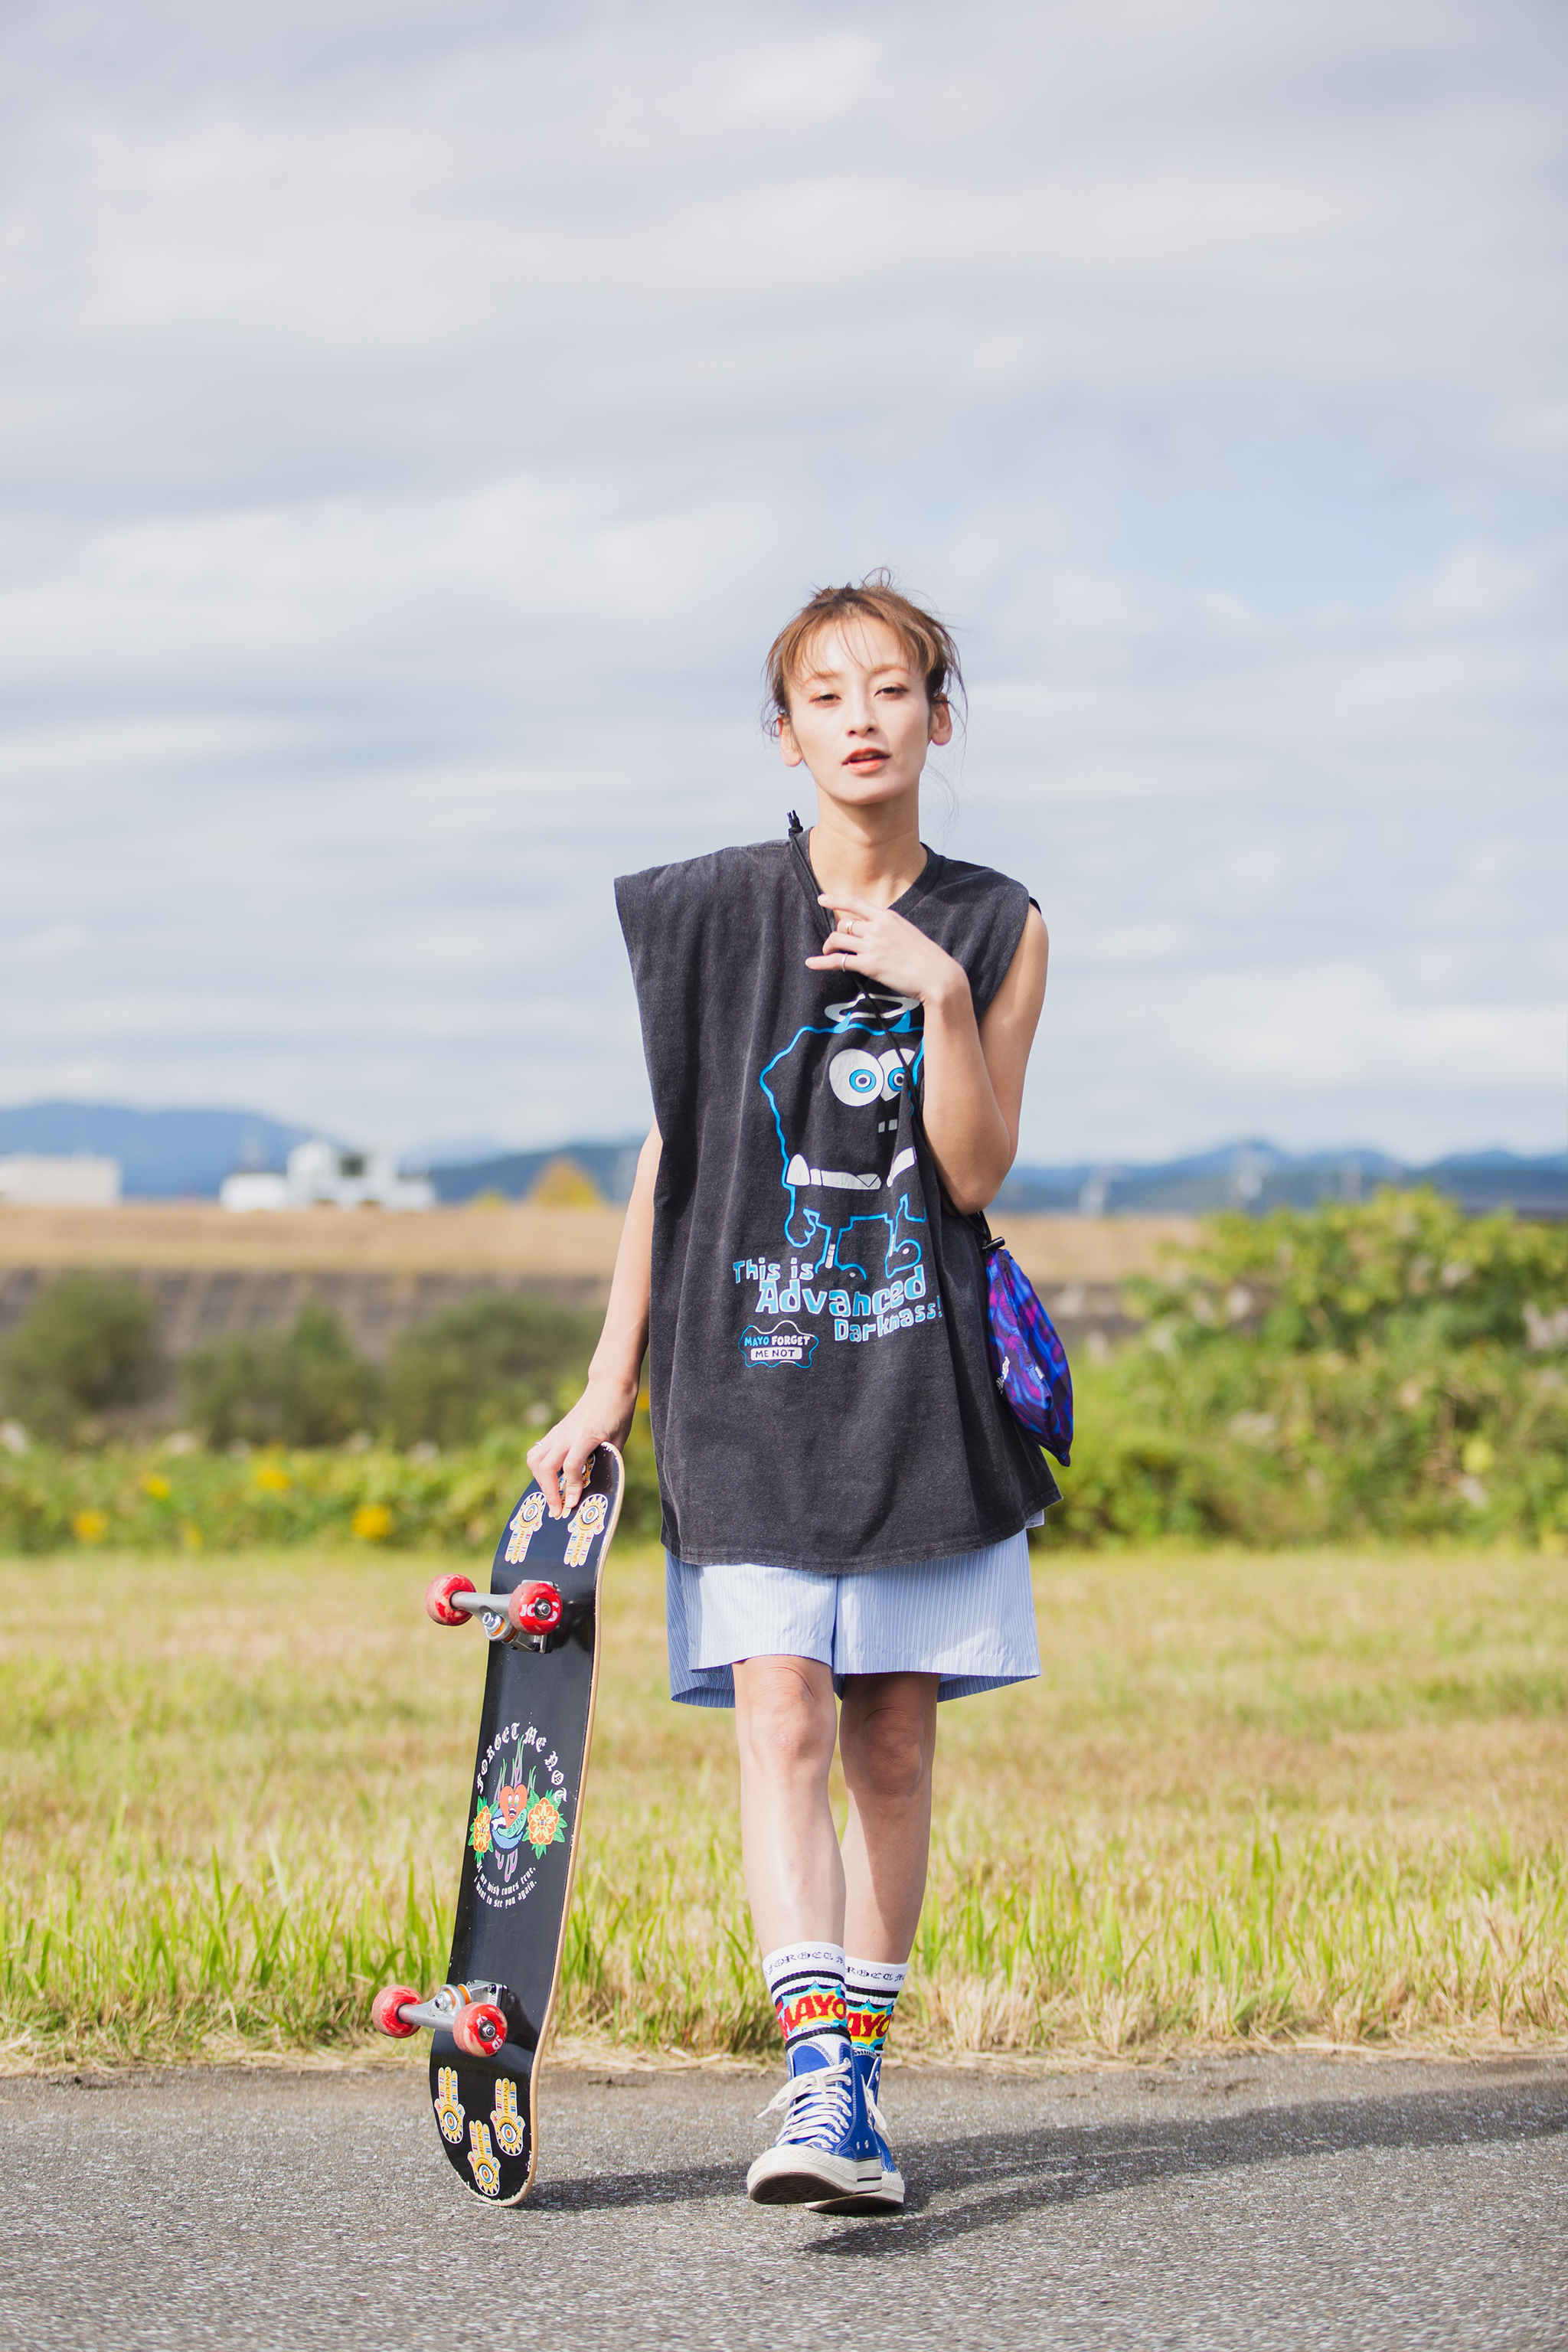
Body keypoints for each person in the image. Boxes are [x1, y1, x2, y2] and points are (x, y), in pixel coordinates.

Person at [528, 573, 1055, 2214]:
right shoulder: (712, 914)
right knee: (782, 1714)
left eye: (889, 689)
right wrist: (607, 1386)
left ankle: (858, 2090)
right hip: (743, 1375)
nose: (859, 718)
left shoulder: (999, 924)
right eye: (825, 695)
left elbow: (972, 1173)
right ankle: (817, 2075)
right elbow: (671, 1158)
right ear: (785, 732)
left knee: (891, 1744)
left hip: (917, 1385)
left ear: (938, 720)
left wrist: (938, 991)